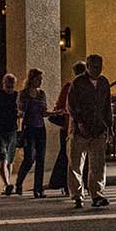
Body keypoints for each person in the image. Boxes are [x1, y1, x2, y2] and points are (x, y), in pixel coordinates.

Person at [66, 54, 111, 209]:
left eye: (99, 67)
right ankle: (77, 195)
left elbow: (106, 106)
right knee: (76, 164)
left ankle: (97, 194)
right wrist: (79, 122)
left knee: (98, 164)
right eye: (94, 67)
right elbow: (71, 105)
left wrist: (108, 127)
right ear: (88, 66)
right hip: (80, 130)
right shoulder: (78, 82)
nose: (97, 70)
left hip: (98, 128)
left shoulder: (104, 83)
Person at [48, 60, 86, 194]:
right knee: (69, 156)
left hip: (70, 126)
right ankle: (69, 184)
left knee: (67, 156)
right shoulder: (71, 87)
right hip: (70, 126)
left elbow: (59, 105)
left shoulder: (69, 87)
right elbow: (60, 107)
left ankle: (69, 184)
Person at [15, 68, 48, 198]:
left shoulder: (41, 94)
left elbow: (44, 111)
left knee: (41, 158)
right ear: (31, 79)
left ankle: (38, 188)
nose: (40, 81)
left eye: (41, 79)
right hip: (29, 128)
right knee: (29, 158)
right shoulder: (23, 94)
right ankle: (19, 182)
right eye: (38, 79)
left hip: (40, 127)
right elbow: (20, 109)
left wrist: (52, 112)